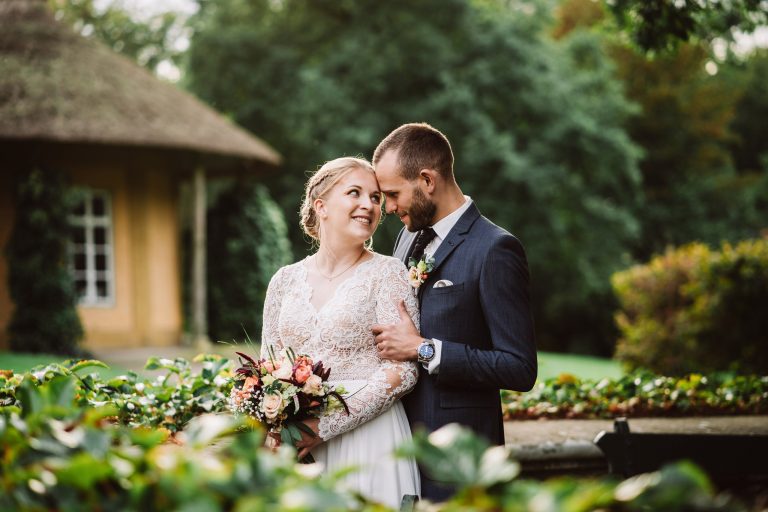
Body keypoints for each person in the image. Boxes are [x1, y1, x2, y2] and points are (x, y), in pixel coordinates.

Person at [371, 123, 537, 501]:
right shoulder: (407, 236)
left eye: (393, 194)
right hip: (396, 448)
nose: (389, 208)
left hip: (458, 463)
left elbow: (520, 367)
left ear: (427, 180)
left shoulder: (496, 250)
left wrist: (424, 349)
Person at [259, 156, 420, 507]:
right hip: (295, 444)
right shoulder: (284, 281)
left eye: (376, 198)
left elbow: (402, 371)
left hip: (369, 441)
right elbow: (266, 369)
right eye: (355, 193)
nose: (369, 205)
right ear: (322, 206)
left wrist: (325, 426)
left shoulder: (388, 274)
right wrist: (273, 427)